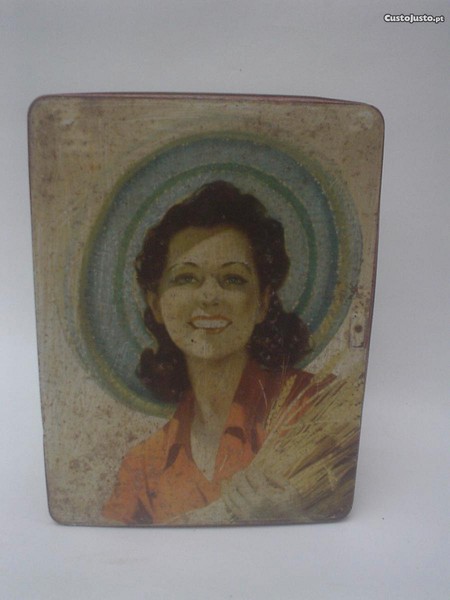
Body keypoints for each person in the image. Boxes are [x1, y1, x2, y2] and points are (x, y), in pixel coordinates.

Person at [102, 181, 333, 526]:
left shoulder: (315, 404)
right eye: (186, 278)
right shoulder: (144, 466)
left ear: (263, 302)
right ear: (157, 304)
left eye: (232, 279)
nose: (209, 297)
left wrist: (293, 518)